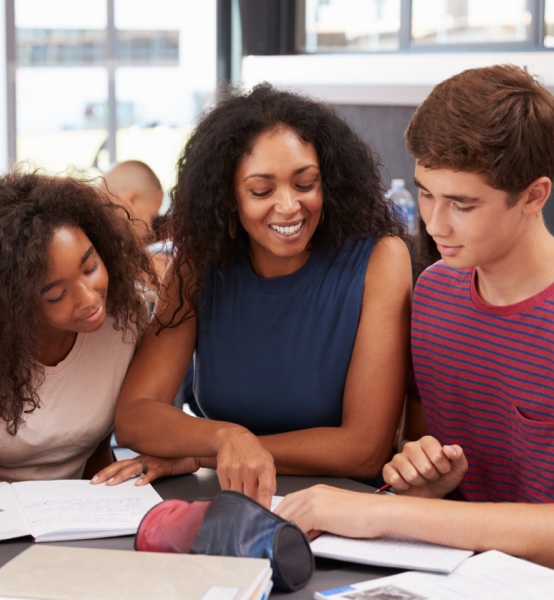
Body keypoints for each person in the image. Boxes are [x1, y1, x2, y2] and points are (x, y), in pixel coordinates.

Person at [274, 64, 554, 568]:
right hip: (456, 573)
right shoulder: (434, 293)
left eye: (462, 204)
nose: (433, 222)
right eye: (426, 192)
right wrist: (424, 476)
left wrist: (385, 514)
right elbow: (429, 452)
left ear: (534, 195)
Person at [98, 83, 413, 508]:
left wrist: (206, 450)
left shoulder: (380, 260)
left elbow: (363, 450)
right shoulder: (199, 264)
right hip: (229, 502)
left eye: (306, 184)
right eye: (262, 191)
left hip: (345, 511)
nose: (289, 207)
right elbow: (135, 414)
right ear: (228, 197)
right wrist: (226, 439)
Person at [0, 168, 166, 482]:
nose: (89, 299)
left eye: (90, 267)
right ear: (15, 306)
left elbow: (98, 448)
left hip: (82, 509)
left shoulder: (125, 319)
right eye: (57, 293)